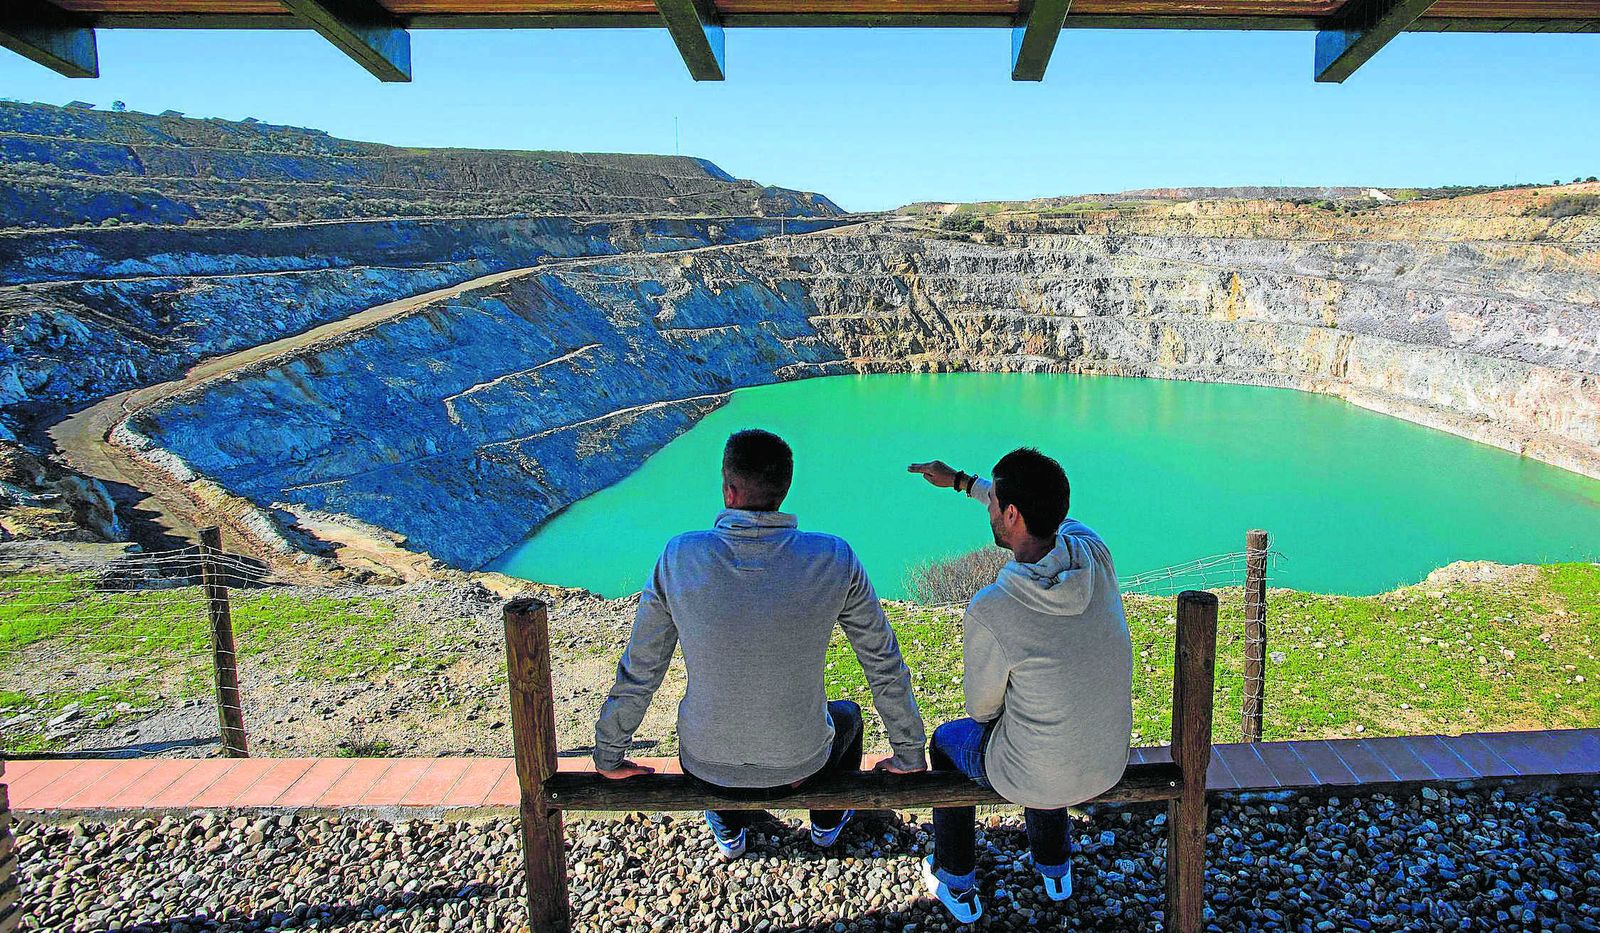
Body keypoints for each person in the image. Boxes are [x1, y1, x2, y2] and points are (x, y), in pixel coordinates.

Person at [593, 428, 928, 861]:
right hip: (801, 766)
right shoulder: (833, 557)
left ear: (728, 491)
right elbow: (882, 662)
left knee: (716, 723)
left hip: (706, 766)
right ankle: (826, 823)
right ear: (783, 491)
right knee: (846, 716)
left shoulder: (678, 556)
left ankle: (729, 831)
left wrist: (609, 754)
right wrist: (908, 752)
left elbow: (641, 669)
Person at [906, 449, 1133, 924]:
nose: (988, 508)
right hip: (1107, 761)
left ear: (1011, 515)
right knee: (1041, 716)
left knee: (949, 743)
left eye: (996, 503)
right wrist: (963, 483)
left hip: (1039, 772)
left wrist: (968, 485)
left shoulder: (994, 607)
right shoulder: (1091, 549)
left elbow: (982, 711)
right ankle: (1055, 867)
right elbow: (1040, 509)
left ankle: (956, 880)